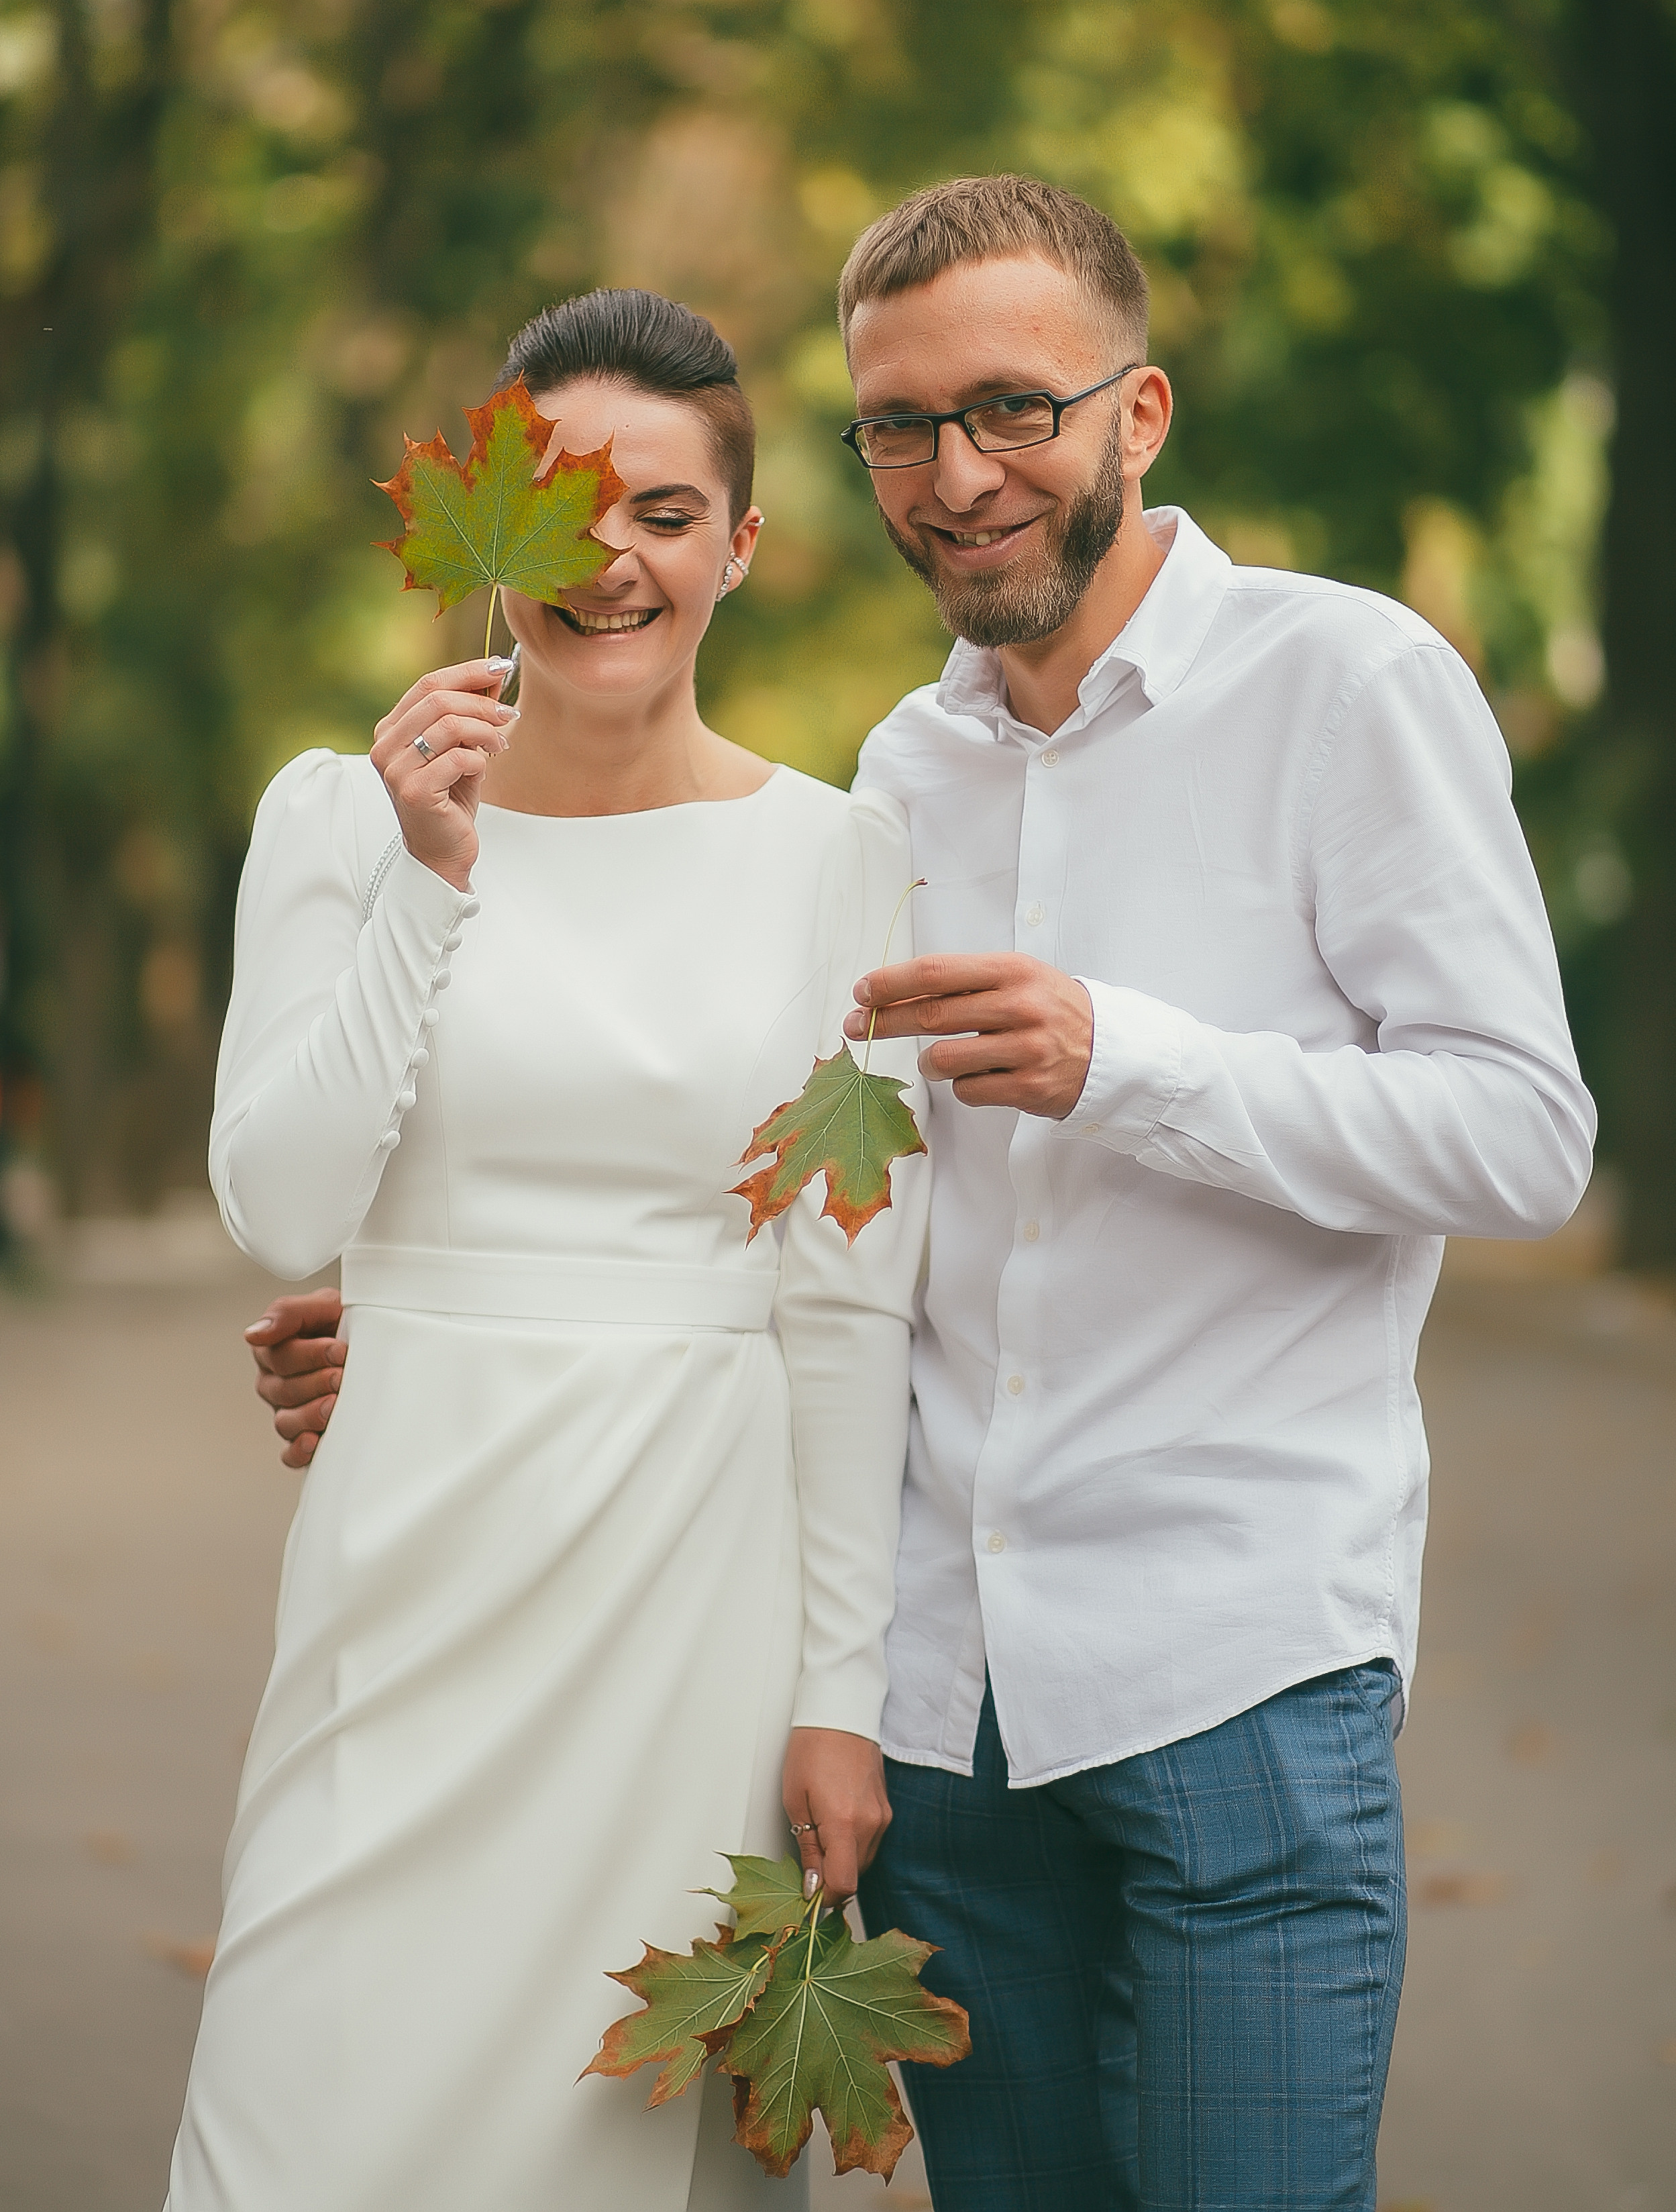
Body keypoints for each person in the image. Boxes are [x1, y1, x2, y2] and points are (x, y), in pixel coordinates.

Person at [250, 177, 1595, 2212]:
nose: (956, 474)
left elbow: (1519, 1133)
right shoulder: (899, 782)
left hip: (1230, 1663)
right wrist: (439, 1317)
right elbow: (808, 1210)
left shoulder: (1348, 685)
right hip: (942, 1710)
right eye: (899, 425)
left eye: (1010, 410)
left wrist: (1122, 1062)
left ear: (1136, 413)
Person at [165, 288, 929, 2212]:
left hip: (692, 1568)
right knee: (308, 2092)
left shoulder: (842, 858)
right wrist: (429, 880)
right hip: (411, 1545)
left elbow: (844, 1307)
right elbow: (283, 1205)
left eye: (668, 512)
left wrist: (840, 1690)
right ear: (482, 529)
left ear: (740, 545)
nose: (613, 555)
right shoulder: (340, 818)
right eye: (566, 503)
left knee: (608, 2136)